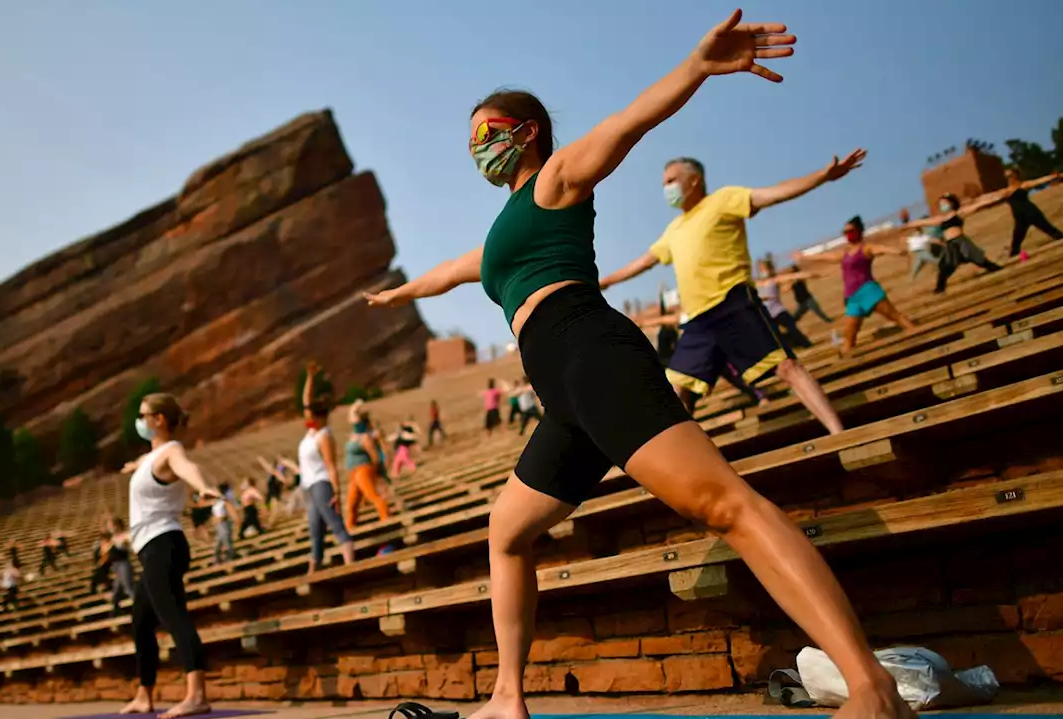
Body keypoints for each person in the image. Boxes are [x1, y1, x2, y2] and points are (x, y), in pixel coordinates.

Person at [363, 13, 912, 719]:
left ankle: (871, 686)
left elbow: (626, 124)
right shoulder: (502, 234)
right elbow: (450, 270)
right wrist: (401, 291)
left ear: (527, 131)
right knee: (508, 531)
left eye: (487, 132)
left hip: (591, 352)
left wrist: (696, 66)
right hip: (562, 396)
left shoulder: (557, 180)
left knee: (723, 503)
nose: (479, 148)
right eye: (471, 141)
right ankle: (506, 697)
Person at [600, 142, 860, 432]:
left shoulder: (723, 199)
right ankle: (688, 466)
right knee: (677, 395)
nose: (667, 189)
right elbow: (645, 261)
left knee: (786, 367)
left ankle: (839, 432)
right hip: (697, 323)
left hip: (733, 304)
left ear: (694, 179)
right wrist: (606, 281)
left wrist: (822, 176)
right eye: (664, 183)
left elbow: (773, 194)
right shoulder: (674, 230)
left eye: (672, 181)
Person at [119, 392, 220, 718]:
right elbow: (153, 464)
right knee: (140, 622)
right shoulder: (150, 458)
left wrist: (202, 486)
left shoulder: (171, 451)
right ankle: (144, 695)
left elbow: (185, 466)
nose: (139, 421)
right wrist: (136, 465)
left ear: (159, 419)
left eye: (143, 414)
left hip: (165, 545)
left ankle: (197, 695)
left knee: (174, 615)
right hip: (152, 549)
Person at [795, 216, 916, 356]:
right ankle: (846, 365)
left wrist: (900, 251)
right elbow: (827, 256)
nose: (847, 234)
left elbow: (881, 249)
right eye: (845, 232)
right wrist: (804, 257)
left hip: (869, 291)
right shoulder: (844, 252)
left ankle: (919, 338)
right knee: (849, 337)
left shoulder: (866, 248)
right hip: (852, 298)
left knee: (896, 317)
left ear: (859, 231)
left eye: (850, 231)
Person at [298, 361, 355, 574]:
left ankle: (351, 566)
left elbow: (331, 466)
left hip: (322, 483)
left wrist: (337, 492)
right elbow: (306, 401)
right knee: (315, 530)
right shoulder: (312, 431)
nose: (308, 417)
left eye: (312, 415)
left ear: (320, 416)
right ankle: (314, 570)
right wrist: (310, 377)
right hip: (309, 486)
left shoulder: (324, 436)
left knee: (335, 524)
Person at [908, 193, 1001, 293]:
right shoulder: (941, 219)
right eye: (941, 203)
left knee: (977, 258)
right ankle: (939, 288)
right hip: (950, 244)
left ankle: (995, 268)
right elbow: (923, 222)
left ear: (951, 203)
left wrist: (994, 199)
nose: (942, 205)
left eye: (944, 202)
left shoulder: (959, 213)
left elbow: (977, 206)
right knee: (945, 266)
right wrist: (907, 225)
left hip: (961, 241)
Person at [1000, 168, 1063, 257]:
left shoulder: (1023, 185)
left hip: (1031, 213)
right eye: (1007, 176)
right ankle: (1013, 258)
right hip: (1020, 218)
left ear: (1016, 175)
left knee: (1050, 230)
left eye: (1010, 176)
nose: (1009, 178)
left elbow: (1038, 181)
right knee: (1017, 239)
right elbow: (987, 199)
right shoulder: (1006, 191)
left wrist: (1052, 177)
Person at [344, 413, 390, 531]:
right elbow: (352, 414)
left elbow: (375, 456)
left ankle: (387, 521)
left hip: (363, 469)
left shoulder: (366, 437)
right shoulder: (354, 436)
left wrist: (376, 472)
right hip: (353, 473)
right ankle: (350, 528)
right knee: (351, 504)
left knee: (373, 497)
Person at [754, 259, 813, 349]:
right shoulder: (756, 283)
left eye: (765, 268)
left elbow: (792, 276)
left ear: (769, 268)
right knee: (774, 335)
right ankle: (792, 344)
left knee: (792, 328)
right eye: (761, 268)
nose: (763, 270)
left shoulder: (774, 279)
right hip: (766, 313)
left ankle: (806, 344)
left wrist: (809, 275)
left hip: (778, 310)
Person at [107, 518, 136, 617]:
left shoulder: (125, 535)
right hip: (116, 567)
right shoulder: (112, 538)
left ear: (117, 525)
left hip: (123, 564)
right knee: (116, 590)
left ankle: (143, 607)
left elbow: (132, 547)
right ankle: (116, 611)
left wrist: (124, 544)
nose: (110, 528)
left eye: (111, 525)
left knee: (128, 588)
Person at [212, 485, 239, 565]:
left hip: (224, 523)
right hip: (219, 525)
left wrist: (236, 518)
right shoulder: (216, 502)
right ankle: (218, 559)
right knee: (219, 543)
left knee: (226, 542)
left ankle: (229, 558)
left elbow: (230, 510)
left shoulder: (224, 501)